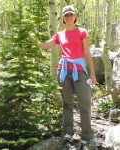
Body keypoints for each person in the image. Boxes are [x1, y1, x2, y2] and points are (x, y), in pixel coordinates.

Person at [29, 5, 101, 146]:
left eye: (71, 15)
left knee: (84, 103)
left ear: (75, 17)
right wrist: (31, 38)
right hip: (63, 71)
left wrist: (92, 74)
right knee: (67, 103)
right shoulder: (59, 35)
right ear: (63, 18)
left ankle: (87, 136)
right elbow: (44, 45)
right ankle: (68, 133)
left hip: (80, 71)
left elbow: (87, 53)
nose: (69, 17)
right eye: (66, 15)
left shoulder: (82, 32)